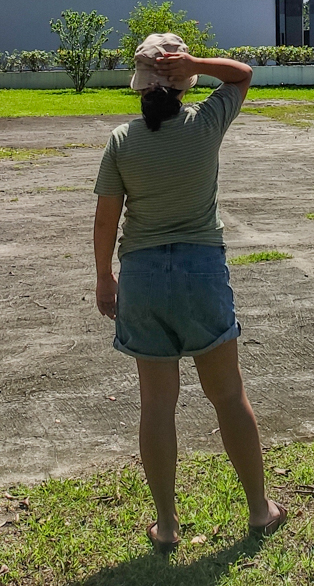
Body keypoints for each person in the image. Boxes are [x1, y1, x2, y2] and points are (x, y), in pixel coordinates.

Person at [92, 33, 288, 553]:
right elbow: (243, 73)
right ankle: (258, 509)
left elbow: (106, 219)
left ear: (139, 86)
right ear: (185, 83)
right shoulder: (205, 125)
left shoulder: (122, 140)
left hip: (143, 274)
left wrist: (103, 277)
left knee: (157, 405)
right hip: (202, 271)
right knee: (227, 395)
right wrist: (196, 61)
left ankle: (169, 524)